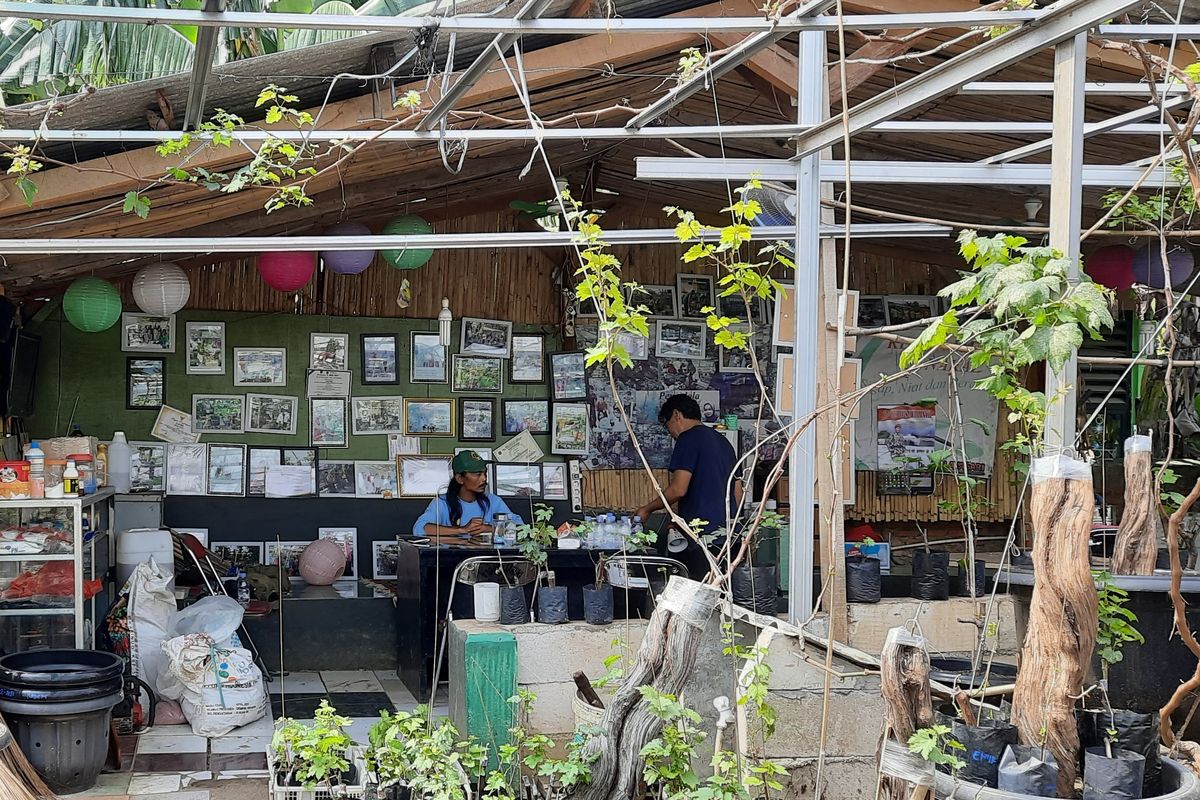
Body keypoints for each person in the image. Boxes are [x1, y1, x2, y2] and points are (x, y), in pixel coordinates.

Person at [635, 395, 740, 579]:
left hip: (701, 537)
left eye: (668, 427)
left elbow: (678, 489)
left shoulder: (688, 439)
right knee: (723, 593)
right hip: (729, 535)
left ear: (677, 415)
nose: (672, 434)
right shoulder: (723, 442)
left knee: (700, 595)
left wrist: (647, 509)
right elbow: (737, 490)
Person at [412, 450, 523, 542]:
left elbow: (522, 530)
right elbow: (420, 529)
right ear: (460, 478)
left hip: (488, 563)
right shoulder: (442, 502)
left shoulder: (494, 501)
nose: (484, 479)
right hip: (449, 562)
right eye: (478, 474)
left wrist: (491, 529)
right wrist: (462, 530)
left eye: (485, 473)